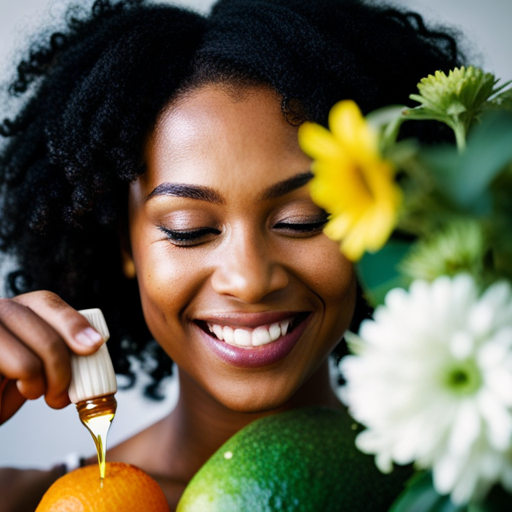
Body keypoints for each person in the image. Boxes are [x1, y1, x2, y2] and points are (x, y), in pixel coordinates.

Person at [0, 0, 463, 509]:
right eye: (188, 230)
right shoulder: (30, 501)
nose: (248, 279)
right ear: (123, 245)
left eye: (302, 221)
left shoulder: (462, 487)